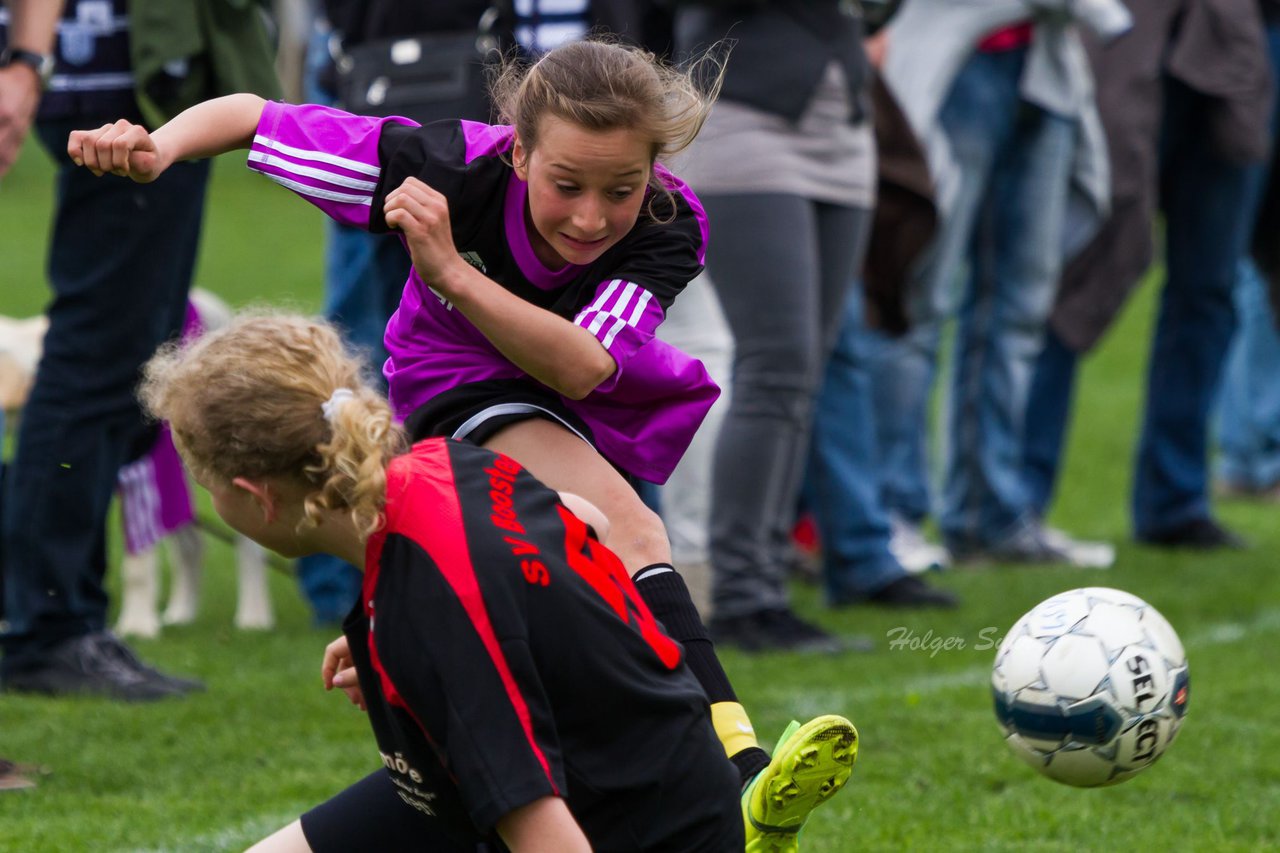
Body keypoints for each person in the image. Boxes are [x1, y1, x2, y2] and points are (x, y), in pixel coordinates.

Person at [67, 37, 858, 849]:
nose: (590, 216)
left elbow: (585, 366)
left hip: (568, 377)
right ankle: (737, 769)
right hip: (454, 376)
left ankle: (711, 765)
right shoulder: (445, 168)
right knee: (625, 529)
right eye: (565, 184)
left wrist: (452, 272)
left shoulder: (668, 221)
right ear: (517, 151)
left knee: (596, 532)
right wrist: (158, 147)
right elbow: (252, 117)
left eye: (620, 188)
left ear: (654, 173)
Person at [0, 0, 279, 701]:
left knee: (125, 358)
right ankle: (48, 624)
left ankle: (55, 615)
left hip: (146, 80)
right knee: (97, 357)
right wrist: (26, 61)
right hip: (115, 88)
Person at [872, 0, 1127, 568]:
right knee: (919, 299)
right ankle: (894, 513)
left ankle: (991, 516)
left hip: (1044, 59)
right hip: (956, 61)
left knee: (1019, 308)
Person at [1021, 0, 1274, 549]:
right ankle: (1016, 501)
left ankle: (1175, 501)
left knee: (1210, 288)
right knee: (1078, 268)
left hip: (1247, 39)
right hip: (1129, 36)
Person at [671, 0, 880, 651]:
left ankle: (766, 580)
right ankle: (739, 593)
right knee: (775, 364)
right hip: (744, 117)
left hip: (841, 122)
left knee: (803, 372)